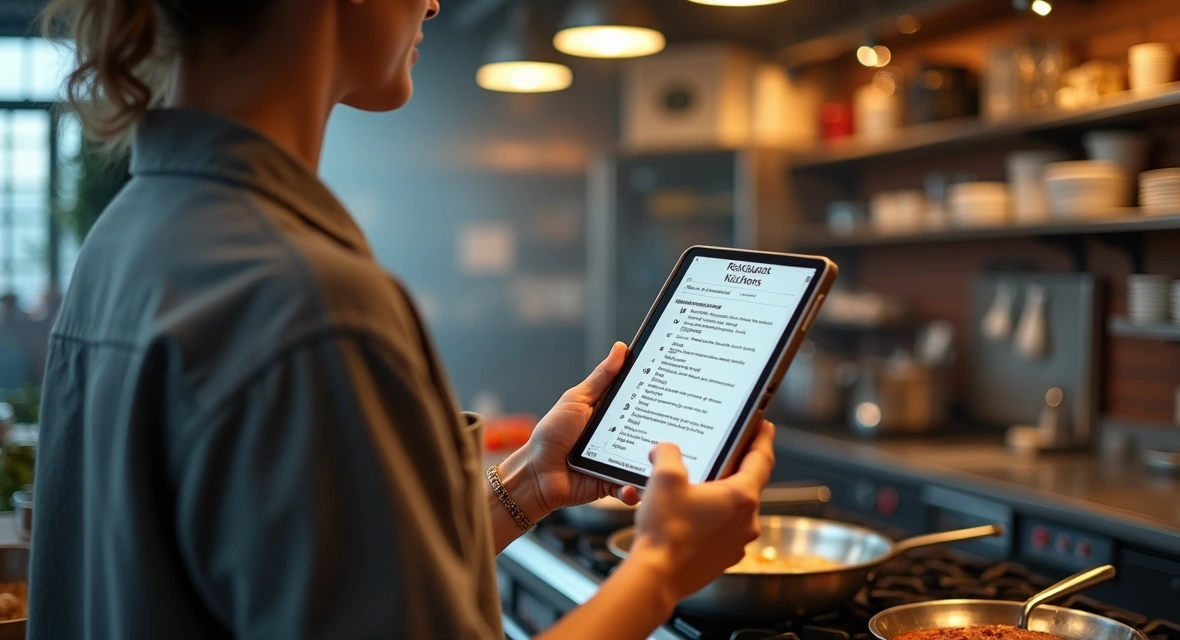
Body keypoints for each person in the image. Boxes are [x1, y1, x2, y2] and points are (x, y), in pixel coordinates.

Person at [31, 0, 777, 638]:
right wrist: (662, 569)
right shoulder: (307, 299)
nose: (434, 5)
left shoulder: (128, 236)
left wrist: (531, 481)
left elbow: (327, 574)